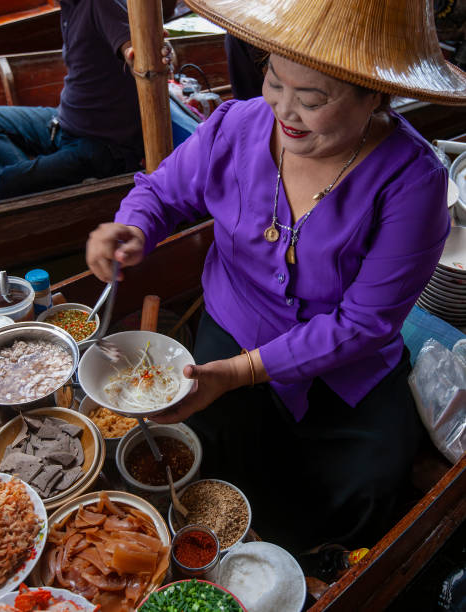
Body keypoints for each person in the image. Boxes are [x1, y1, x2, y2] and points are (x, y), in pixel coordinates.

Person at [85, 0, 466, 554]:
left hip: (346, 361)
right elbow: (161, 192)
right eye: (274, 80)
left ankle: (319, 567)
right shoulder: (236, 126)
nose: (284, 110)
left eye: (312, 100)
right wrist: (133, 228)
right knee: (204, 446)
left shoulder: (414, 182)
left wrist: (242, 373)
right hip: (235, 321)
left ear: (374, 95)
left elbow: (364, 324)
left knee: (368, 478)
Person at [0, 0, 176, 200]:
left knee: (9, 183)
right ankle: (33, 180)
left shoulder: (101, 3)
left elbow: (137, 49)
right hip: (62, 122)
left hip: (101, 146)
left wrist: (151, 53)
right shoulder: (68, 5)